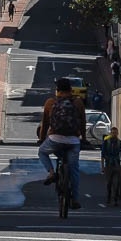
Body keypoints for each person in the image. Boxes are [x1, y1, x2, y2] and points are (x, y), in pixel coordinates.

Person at [38, 77, 87, 210]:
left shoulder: (50, 102)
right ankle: (75, 199)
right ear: (71, 89)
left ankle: (51, 172)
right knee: (74, 169)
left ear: (57, 90)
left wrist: (42, 139)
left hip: (55, 140)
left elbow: (45, 123)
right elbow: (83, 123)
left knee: (42, 152)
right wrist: (83, 139)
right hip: (73, 141)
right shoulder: (78, 102)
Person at [101, 125, 121, 205]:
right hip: (108, 164)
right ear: (110, 133)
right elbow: (103, 155)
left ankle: (115, 199)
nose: (114, 134)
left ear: (117, 133)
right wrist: (102, 167)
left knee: (116, 182)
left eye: (115, 133)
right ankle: (108, 197)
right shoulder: (106, 142)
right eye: (112, 133)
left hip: (116, 165)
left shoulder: (120, 143)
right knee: (109, 183)